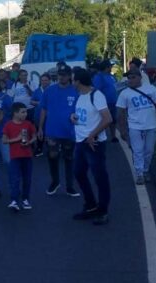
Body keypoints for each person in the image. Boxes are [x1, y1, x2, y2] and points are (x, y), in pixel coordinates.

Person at [71, 68, 113, 226]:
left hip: (94, 143)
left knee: (99, 177)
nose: (72, 82)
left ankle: (103, 210)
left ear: (79, 81)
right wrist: (72, 117)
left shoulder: (97, 95)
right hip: (80, 141)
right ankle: (90, 205)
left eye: (73, 79)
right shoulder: (80, 96)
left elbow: (107, 119)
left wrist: (92, 134)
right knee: (79, 173)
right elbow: (81, 114)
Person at [116, 68, 156, 185]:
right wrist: (123, 130)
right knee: (137, 150)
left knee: (149, 150)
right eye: (129, 78)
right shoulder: (125, 93)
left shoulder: (151, 89)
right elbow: (120, 113)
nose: (130, 80)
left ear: (140, 77)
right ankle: (140, 173)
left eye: (133, 77)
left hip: (151, 125)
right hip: (135, 126)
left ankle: (145, 169)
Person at [38, 64, 81, 197]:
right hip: (52, 131)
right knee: (52, 157)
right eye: (59, 75)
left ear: (69, 76)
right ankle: (55, 181)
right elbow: (43, 110)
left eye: (64, 75)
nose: (61, 77)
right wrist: (40, 127)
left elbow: (81, 110)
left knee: (69, 158)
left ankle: (70, 186)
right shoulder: (49, 91)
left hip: (70, 131)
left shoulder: (76, 91)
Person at [2, 102, 36, 212]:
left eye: (26, 112)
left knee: (27, 179)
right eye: (23, 112)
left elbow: (34, 137)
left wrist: (29, 142)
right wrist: (17, 139)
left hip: (27, 156)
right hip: (15, 157)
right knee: (14, 179)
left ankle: (25, 199)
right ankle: (14, 200)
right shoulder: (8, 125)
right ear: (15, 113)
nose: (25, 114)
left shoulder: (28, 124)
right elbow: (4, 140)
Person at [92, 60, 118, 142]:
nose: (111, 67)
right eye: (110, 66)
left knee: (113, 120)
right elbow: (96, 90)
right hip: (104, 104)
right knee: (101, 121)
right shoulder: (99, 77)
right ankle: (97, 136)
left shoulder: (112, 76)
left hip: (113, 102)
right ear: (106, 67)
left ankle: (113, 136)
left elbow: (115, 86)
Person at [30, 73, 51, 157]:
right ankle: (39, 149)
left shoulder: (52, 90)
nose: (44, 82)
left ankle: (51, 149)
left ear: (49, 81)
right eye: (42, 80)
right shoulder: (37, 91)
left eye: (46, 80)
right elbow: (31, 101)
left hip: (50, 116)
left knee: (50, 133)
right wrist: (39, 103)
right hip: (38, 115)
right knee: (40, 131)